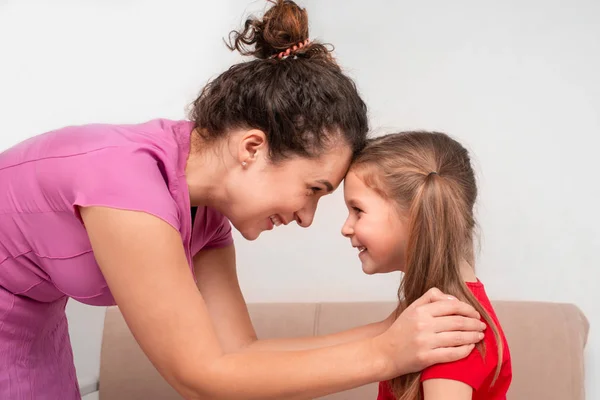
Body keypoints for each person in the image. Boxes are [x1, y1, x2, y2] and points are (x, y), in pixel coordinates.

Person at [0, 1, 486, 399]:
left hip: (35, 330)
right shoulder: (127, 188)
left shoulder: (207, 217)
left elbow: (239, 353)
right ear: (252, 148)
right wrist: (386, 355)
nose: (306, 217)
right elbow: (200, 377)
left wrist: (390, 329)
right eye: (313, 190)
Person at [341, 131, 513, 400]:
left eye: (357, 210)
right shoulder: (436, 310)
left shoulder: (449, 328)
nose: (346, 227)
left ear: (415, 216)